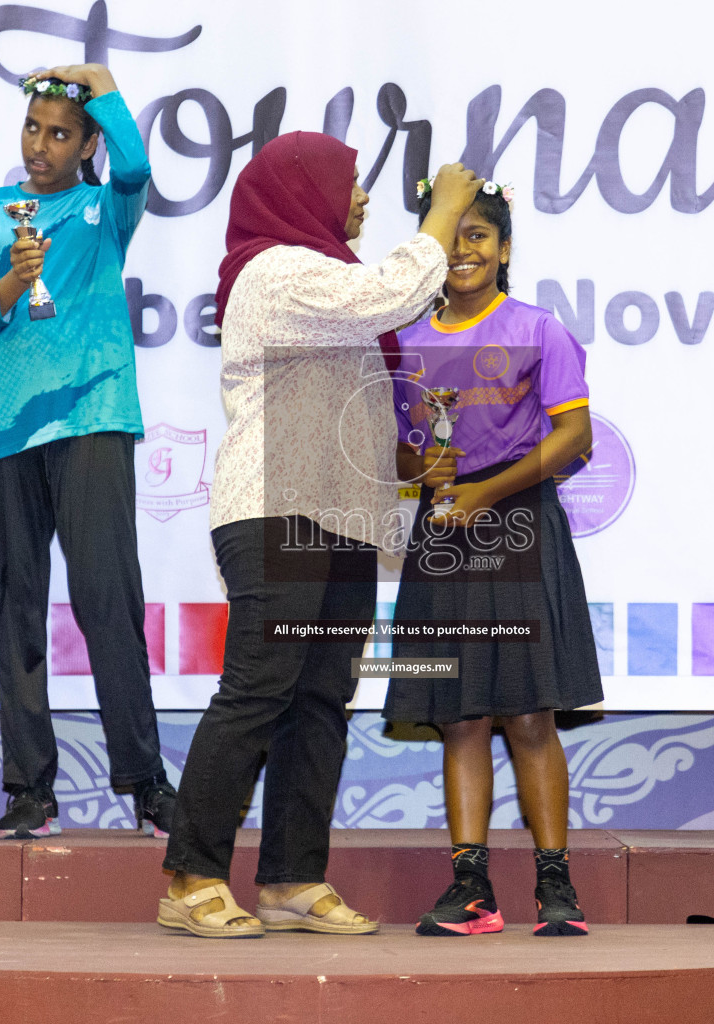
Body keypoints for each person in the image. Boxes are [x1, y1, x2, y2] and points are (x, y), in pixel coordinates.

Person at [157, 131, 483, 938]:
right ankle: (189, 874)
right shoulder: (273, 271)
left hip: (339, 518)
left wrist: (408, 455)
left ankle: (292, 879)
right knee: (260, 691)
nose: (364, 199)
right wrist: (442, 211)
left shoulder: (322, 279)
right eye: (351, 185)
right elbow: (391, 295)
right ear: (303, 191)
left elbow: (347, 401)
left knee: (321, 701)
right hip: (273, 509)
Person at [0, 64, 174, 839]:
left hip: (91, 418)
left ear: (88, 145)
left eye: (60, 133)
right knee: (17, 610)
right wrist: (10, 281)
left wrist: (103, 86)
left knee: (109, 598)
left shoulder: (104, 210)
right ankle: (29, 789)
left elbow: (140, 166)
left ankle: (144, 781)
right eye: (32, 129)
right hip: (1, 431)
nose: (40, 145)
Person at [385, 177, 601, 936]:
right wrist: (424, 471)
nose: (462, 249)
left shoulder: (539, 330)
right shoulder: (404, 342)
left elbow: (575, 438)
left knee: (531, 714)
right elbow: (404, 460)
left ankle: (556, 886)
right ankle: (470, 886)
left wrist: (486, 494)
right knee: (461, 716)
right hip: (444, 531)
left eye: (479, 236)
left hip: (519, 524)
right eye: (449, 236)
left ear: (505, 250)